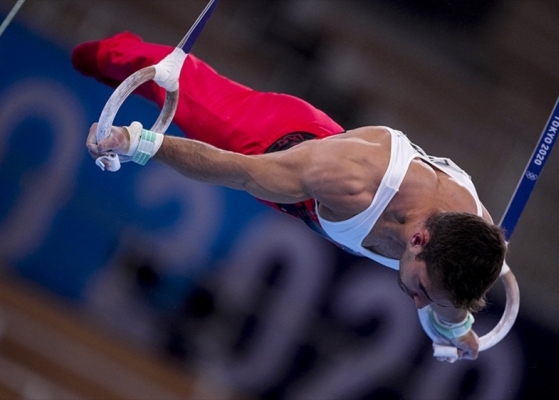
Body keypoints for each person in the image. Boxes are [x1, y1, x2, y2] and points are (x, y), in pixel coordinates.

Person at [73, 31, 507, 360]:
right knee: (159, 74)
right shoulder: (348, 180)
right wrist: (137, 142)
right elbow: (238, 172)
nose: (416, 301)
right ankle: (98, 51)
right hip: (271, 142)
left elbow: (447, 305)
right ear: (419, 239)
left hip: (313, 191)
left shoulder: (473, 247)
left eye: (428, 297)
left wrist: (454, 330)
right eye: (421, 290)